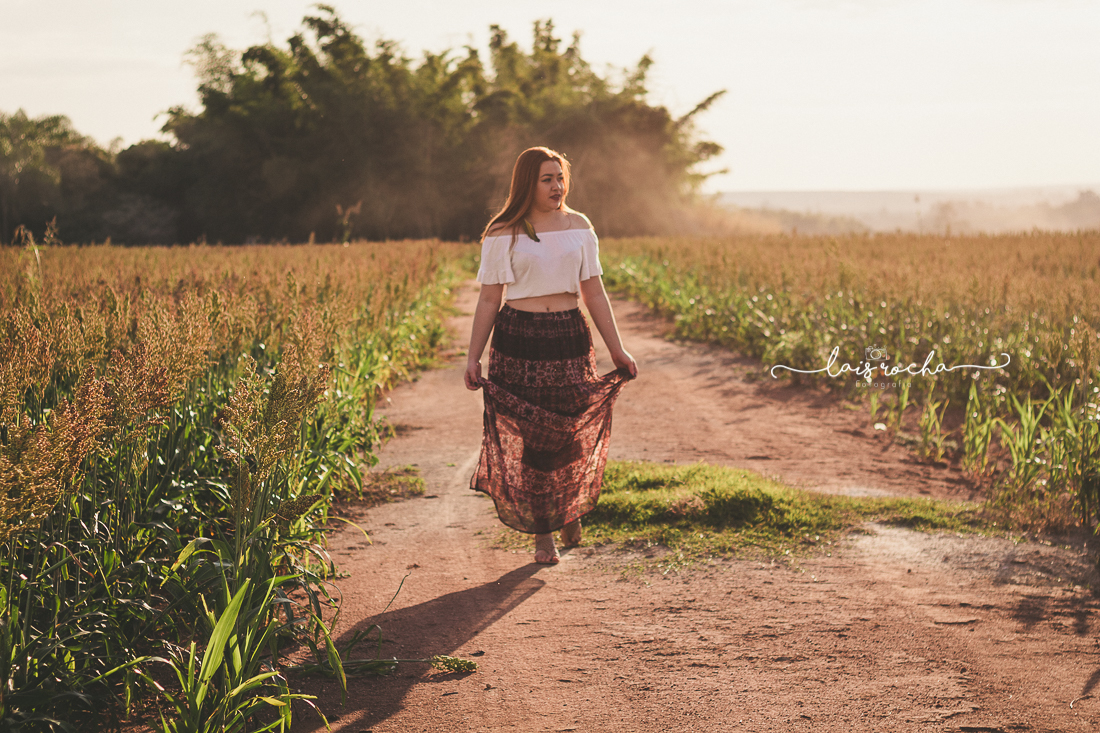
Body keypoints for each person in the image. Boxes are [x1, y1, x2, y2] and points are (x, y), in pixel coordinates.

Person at [465, 146, 638, 565]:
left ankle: (569, 507)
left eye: (560, 177)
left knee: (569, 429)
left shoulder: (579, 227)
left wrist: (617, 348)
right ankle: (544, 534)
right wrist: (474, 357)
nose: (557, 186)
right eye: (547, 179)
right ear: (527, 182)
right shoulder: (502, 231)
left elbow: (593, 292)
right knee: (531, 438)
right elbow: (490, 298)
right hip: (518, 340)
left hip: (567, 337)